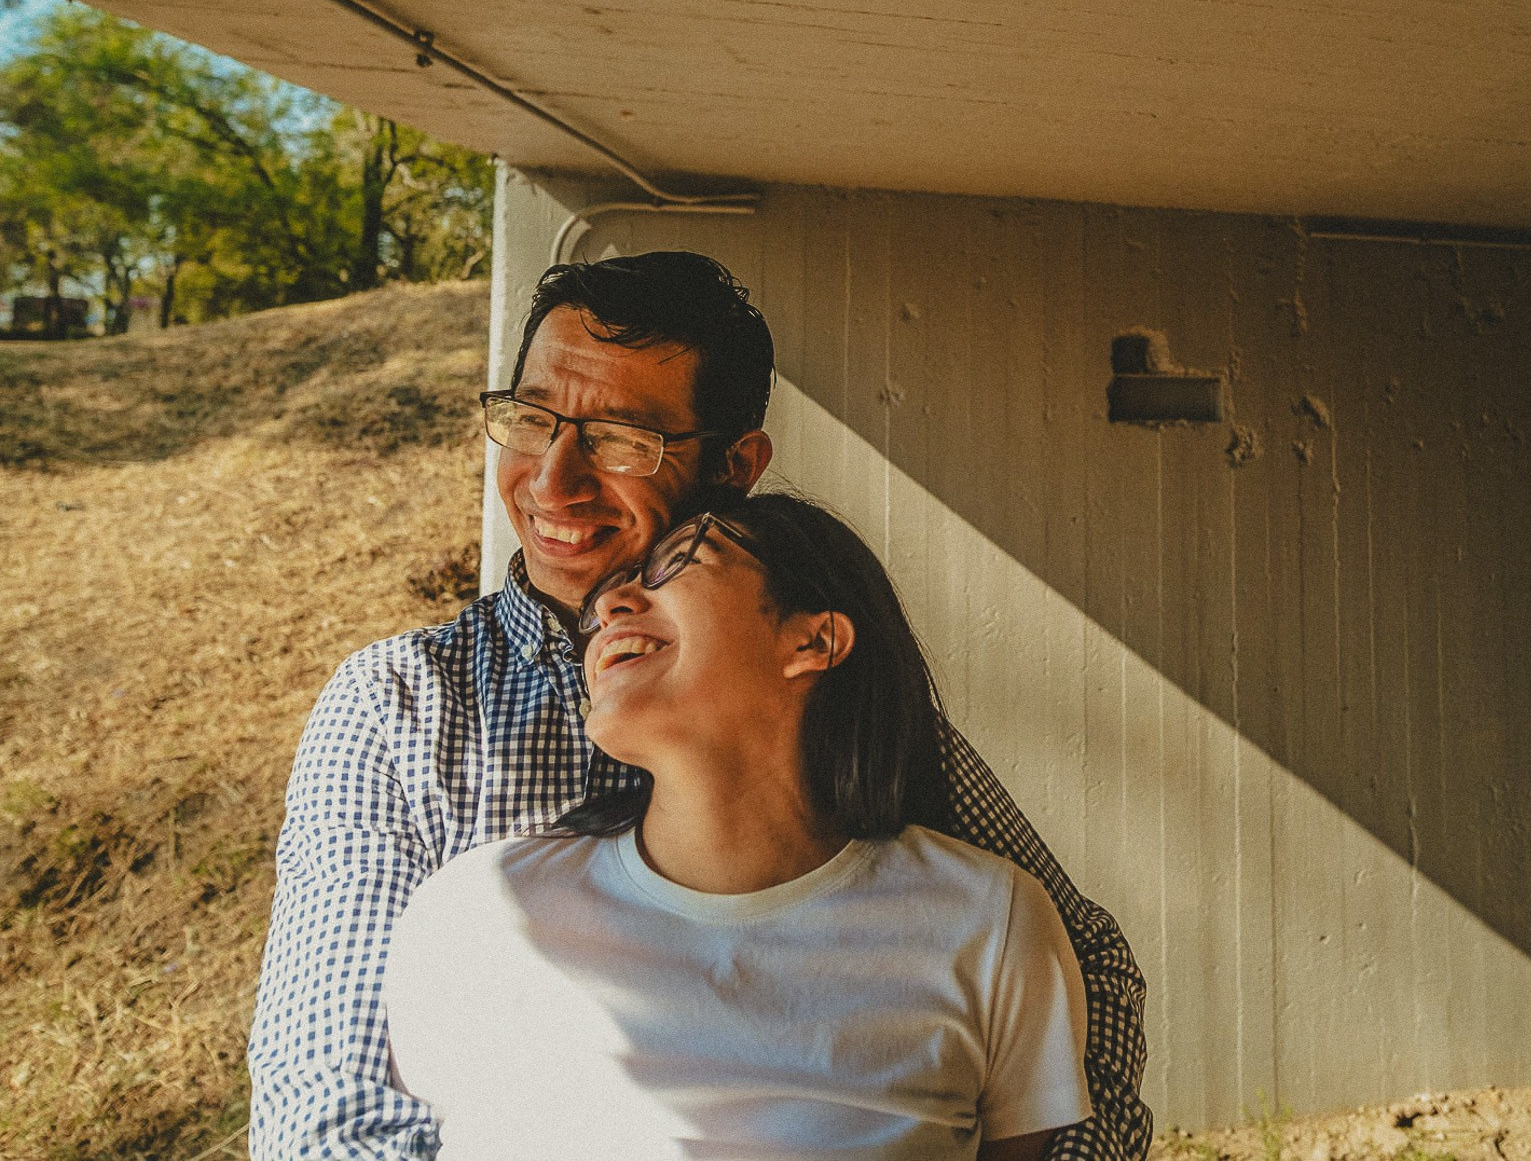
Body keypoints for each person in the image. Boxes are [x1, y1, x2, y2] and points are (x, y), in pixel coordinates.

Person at [247, 251, 1149, 1160]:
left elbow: (1077, 967)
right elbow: (331, 1106)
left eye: (620, 440)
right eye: (530, 420)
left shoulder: (817, 703)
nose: (552, 481)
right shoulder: (407, 709)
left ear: (735, 465)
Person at [383, 493, 1092, 1159]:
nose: (610, 603)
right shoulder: (477, 910)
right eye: (614, 594)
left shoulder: (989, 923)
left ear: (811, 642)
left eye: (673, 570)